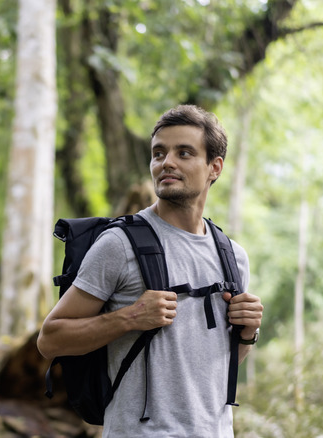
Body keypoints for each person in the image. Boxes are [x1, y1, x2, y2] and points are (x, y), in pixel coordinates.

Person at [37, 104, 264, 437]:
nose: (166, 162)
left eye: (184, 153)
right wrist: (130, 317)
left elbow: (216, 366)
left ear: (214, 167)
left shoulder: (233, 256)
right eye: (159, 153)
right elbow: (50, 339)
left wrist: (247, 333)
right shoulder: (118, 244)